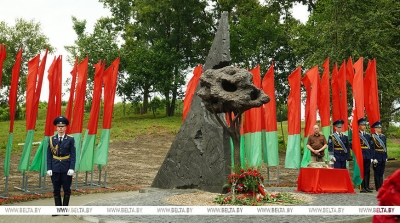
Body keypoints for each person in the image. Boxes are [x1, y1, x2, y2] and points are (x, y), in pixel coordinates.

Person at [47, 116, 76, 214]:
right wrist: (49, 168)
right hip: (55, 168)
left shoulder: (70, 139)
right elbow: (49, 155)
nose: (60, 128)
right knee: (56, 189)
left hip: (66, 167)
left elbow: (73, 154)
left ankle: (65, 210)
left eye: (62, 126)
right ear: (56, 127)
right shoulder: (51, 139)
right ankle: (58, 210)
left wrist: (72, 167)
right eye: (59, 126)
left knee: (67, 189)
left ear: (65, 128)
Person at [358, 118, 373, 193]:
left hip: (367, 155)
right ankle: (362, 187)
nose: (364, 126)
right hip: (361, 155)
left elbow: (370, 146)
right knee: (362, 171)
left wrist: (371, 156)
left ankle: (366, 186)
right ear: (359, 126)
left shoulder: (367, 135)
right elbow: (352, 145)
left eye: (364, 125)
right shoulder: (357, 135)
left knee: (367, 171)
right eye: (362, 125)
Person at [371, 121, 387, 191]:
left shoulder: (383, 136)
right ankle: (378, 187)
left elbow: (385, 147)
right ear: (375, 129)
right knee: (377, 172)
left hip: (383, 156)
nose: (380, 129)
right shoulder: (372, 137)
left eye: (380, 128)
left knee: (381, 172)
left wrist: (386, 156)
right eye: (378, 128)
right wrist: (373, 158)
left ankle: (382, 186)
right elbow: (372, 148)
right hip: (377, 156)